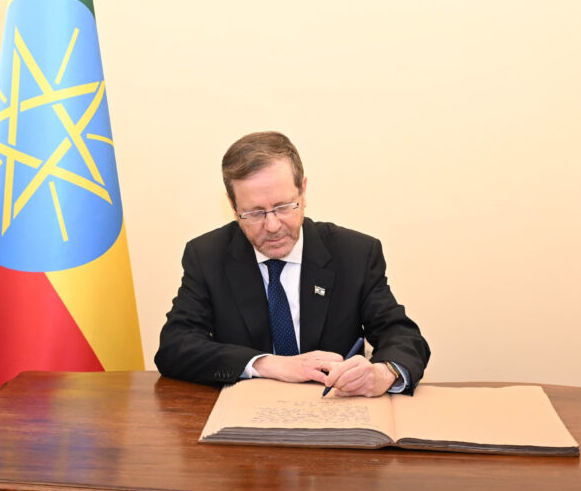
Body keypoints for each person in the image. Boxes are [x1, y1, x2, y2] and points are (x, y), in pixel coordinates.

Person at [155, 131, 429, 396]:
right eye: (254, 212)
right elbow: (175, 347)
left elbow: (401, 336)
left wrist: (384, 373)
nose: (272, 226)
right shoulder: (207, 256)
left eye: (283, 206)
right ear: (233, 206)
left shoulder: (355, 254)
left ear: (303, 191)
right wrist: (268, 364)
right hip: (246, 412)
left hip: (335, 409)